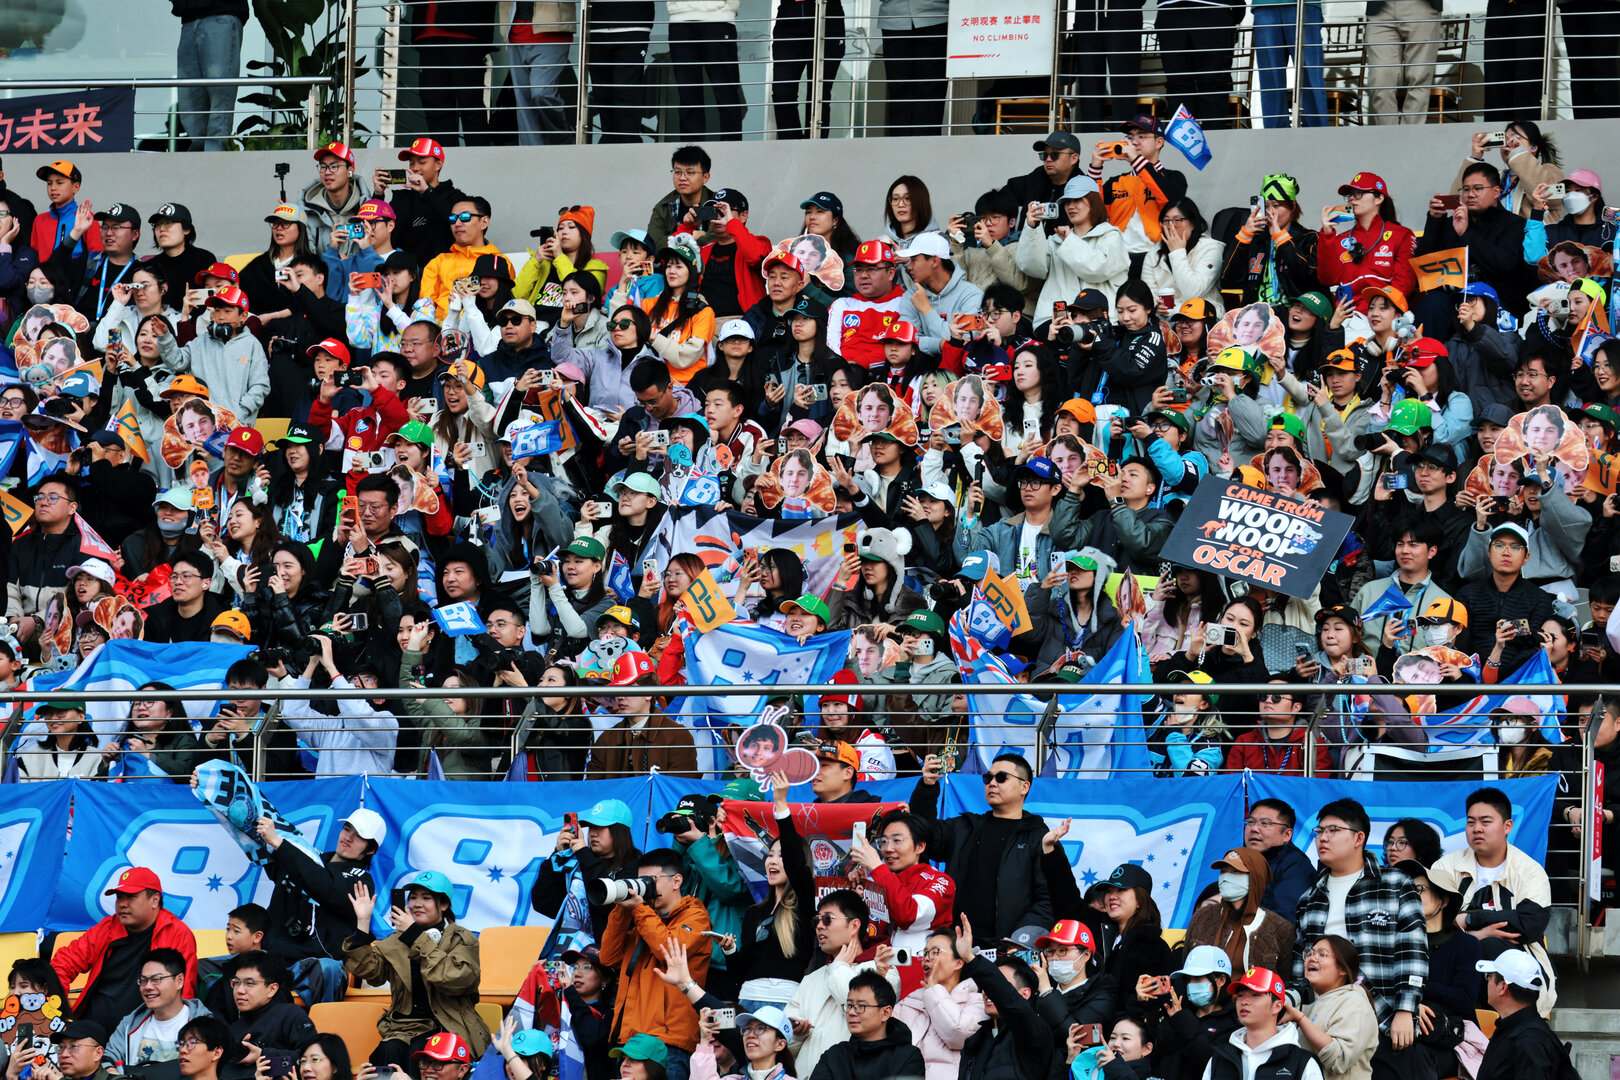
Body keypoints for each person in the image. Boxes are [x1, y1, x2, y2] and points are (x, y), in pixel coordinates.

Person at [1289, 799, 1426, 1053]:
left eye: (1333, 830)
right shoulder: (1309, 898)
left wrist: (1406, 1009)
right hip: (1322, 1020)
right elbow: (1301, 965)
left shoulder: (1395, 883)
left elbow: (1413, 951)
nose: (1323, 839)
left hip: (1382, 1017)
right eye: (1319, 832)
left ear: (1358, 838)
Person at [1427, 787, 1556, 1010]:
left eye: (1485, 822)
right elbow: (1428, 923)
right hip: (1450, 962)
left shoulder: (1529, 871)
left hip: (1516, 971)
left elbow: (1530, 924)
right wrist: (1476, 936)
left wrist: (1468, 920)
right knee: (1476, 945)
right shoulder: (1445, 867)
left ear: (1507, 826)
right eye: (1470, 822)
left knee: (1490, 946)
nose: (1477, 829)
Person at [344, 870, 489, 1068]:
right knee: (386, 1053)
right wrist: (363, 922)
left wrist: (416, 936)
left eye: (426, 898)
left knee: (421, 1054)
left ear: (444, 905)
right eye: (413, 898)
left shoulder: (461, 939)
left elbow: (456, 978)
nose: (417, 904)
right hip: (403, 1028)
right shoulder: (396, 940)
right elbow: (369, 972)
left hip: (447, 1026)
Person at [908, 752, 1051, 944]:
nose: (992, 783)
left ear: (1024, 786)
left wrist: (1019, 940)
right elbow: (924, 835)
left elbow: (1047, 899)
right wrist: (927, 787)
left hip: (1006, 949)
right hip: (956, 943)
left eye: (1001, 778)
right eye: (987, 778)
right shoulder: (965, 827)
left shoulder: (1037, 836)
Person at [599, 848, 712, 1080]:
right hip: (632, 1041)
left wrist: (640, 910)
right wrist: (622, 909)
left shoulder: (695, 916)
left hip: (668, 1042)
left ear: (676, 881)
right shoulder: (645, 919)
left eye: (652, 881)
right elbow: (608, 957)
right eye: (642, 881)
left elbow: (666, 950)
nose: (647, 887)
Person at [52, 868, 198, 1035]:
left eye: (131, 896)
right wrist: (57, 1009)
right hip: (92, 1033)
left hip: (146, 1036)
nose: (122, 903)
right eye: (119, 896)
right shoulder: (106, 927)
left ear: (155, 900)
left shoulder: (177, 934)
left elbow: (183, 993)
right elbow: (62, 964)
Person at [953, 917, 1049, 1080]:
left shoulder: (1033, 1033)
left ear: (1024, 994)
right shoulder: (975, 1040)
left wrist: (971, 958)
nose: (988, 992)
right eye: (987, 987)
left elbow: (1007, 998)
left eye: (1001, 985)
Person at [1186, 849, 1295, 979]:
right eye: (1223, 871)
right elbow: (1186, 967)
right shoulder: (1202, 916)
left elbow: (1283, 982)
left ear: (1256, 877)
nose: (1226, 877)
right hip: (1203, 999)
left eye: (1236, 871)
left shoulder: (1281, 928)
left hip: (1249, 999)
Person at [893, 928, 986, 1080]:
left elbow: (958, 1034)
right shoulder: (909, 1001)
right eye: (924, 953)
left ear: (958, 963)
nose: (926, 959)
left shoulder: (977, 1002)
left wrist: (934, 991)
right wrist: (883, 979)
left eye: (935, 952)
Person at [1200, 967, 1321, 1080]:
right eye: (1240, 995)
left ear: (1277, 1006)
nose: (1244, 1002)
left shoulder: (1302, 1063)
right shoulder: (1219, 1059)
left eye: (1255, 995)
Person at [1284, 937, 1379, 1080]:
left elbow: (1338, 1061)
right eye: (1309, 953)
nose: (1312, 959)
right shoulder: (1308, 1001)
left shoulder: (1354, 1002)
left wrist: (1300, 1019)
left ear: (1342, 969)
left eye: (1322, 954)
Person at [805, 970, 926, 1080]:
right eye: (849, 1005)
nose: (852, 1012)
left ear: (885, 1013)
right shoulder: (835, 1055)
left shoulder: (907, 1057)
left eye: (861, 1006)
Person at [1472, 950, 1572, 1080]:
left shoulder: (1530, 1042)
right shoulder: (1516, 1030)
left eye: (1489, 977)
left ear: (1503, 987)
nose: (1487, 982)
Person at [104, 948, 210, 1070]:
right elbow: (108, 1057)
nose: (148, 987)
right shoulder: (130, 1024)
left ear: (179, 981)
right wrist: (112, 1072)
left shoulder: (205, 1025)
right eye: (143, 981)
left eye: (156, 980)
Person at [221, 952, 316, 1067]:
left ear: (272, 989)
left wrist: (263, 1055)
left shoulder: (291, 1015)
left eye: (249, 983)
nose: (240, 990)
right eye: (236, 983)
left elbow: (313, 1061)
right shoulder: (233, 1030)